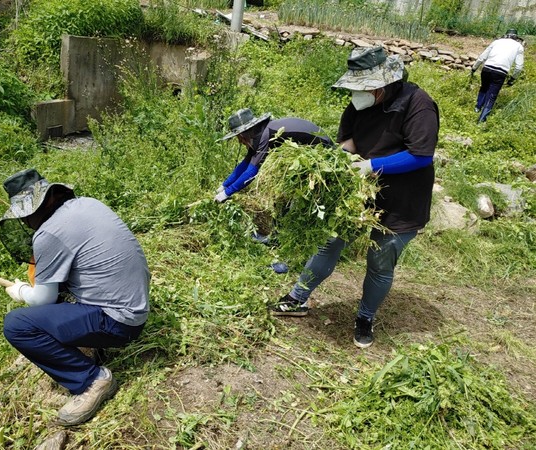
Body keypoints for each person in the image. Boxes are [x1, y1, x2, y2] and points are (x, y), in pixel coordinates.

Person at [270, 46, 439, 349]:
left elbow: (421, 155)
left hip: (402, 199)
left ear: (382, 85)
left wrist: (371, 165)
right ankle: (297, 298)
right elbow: (348, 141)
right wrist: (338, 161)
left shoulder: (418, 104)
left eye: (363, 87)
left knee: (380, 261)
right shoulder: (358, 105)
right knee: (328, 243)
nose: (356, 93)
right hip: (356, 194)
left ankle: (365, 317)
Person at [0, 169, 150, 426]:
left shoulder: (49, 234)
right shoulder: (89, 203)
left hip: (121, 322)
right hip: (136, 305)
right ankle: (85, 344)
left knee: (18, 325)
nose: (26, 222)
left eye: (26, 215)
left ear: (42, 203)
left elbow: (42, 300)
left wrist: (21, 291)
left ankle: (92, 380)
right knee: (59, 290)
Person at [214, 108, 334, 202]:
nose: (240, 141)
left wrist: (227, 193)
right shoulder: (260, 133)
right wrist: (224, 186)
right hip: (314, 143)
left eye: (239, 137)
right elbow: (245, 164)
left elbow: (251, 172)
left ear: (245, 133)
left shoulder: (265, 135)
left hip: (323, 146)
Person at [471, 29, 524, 123]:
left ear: (506, 35)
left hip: (486, 69)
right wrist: (512, 78)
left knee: (484, 88)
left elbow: (482, 57)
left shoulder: (496, 42)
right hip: (500, 72)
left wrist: (474, 69)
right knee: (492, 95)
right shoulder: (519, 46)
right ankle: (482, 119)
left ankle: (477, 108)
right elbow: (519, 67)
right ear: (516, 37)